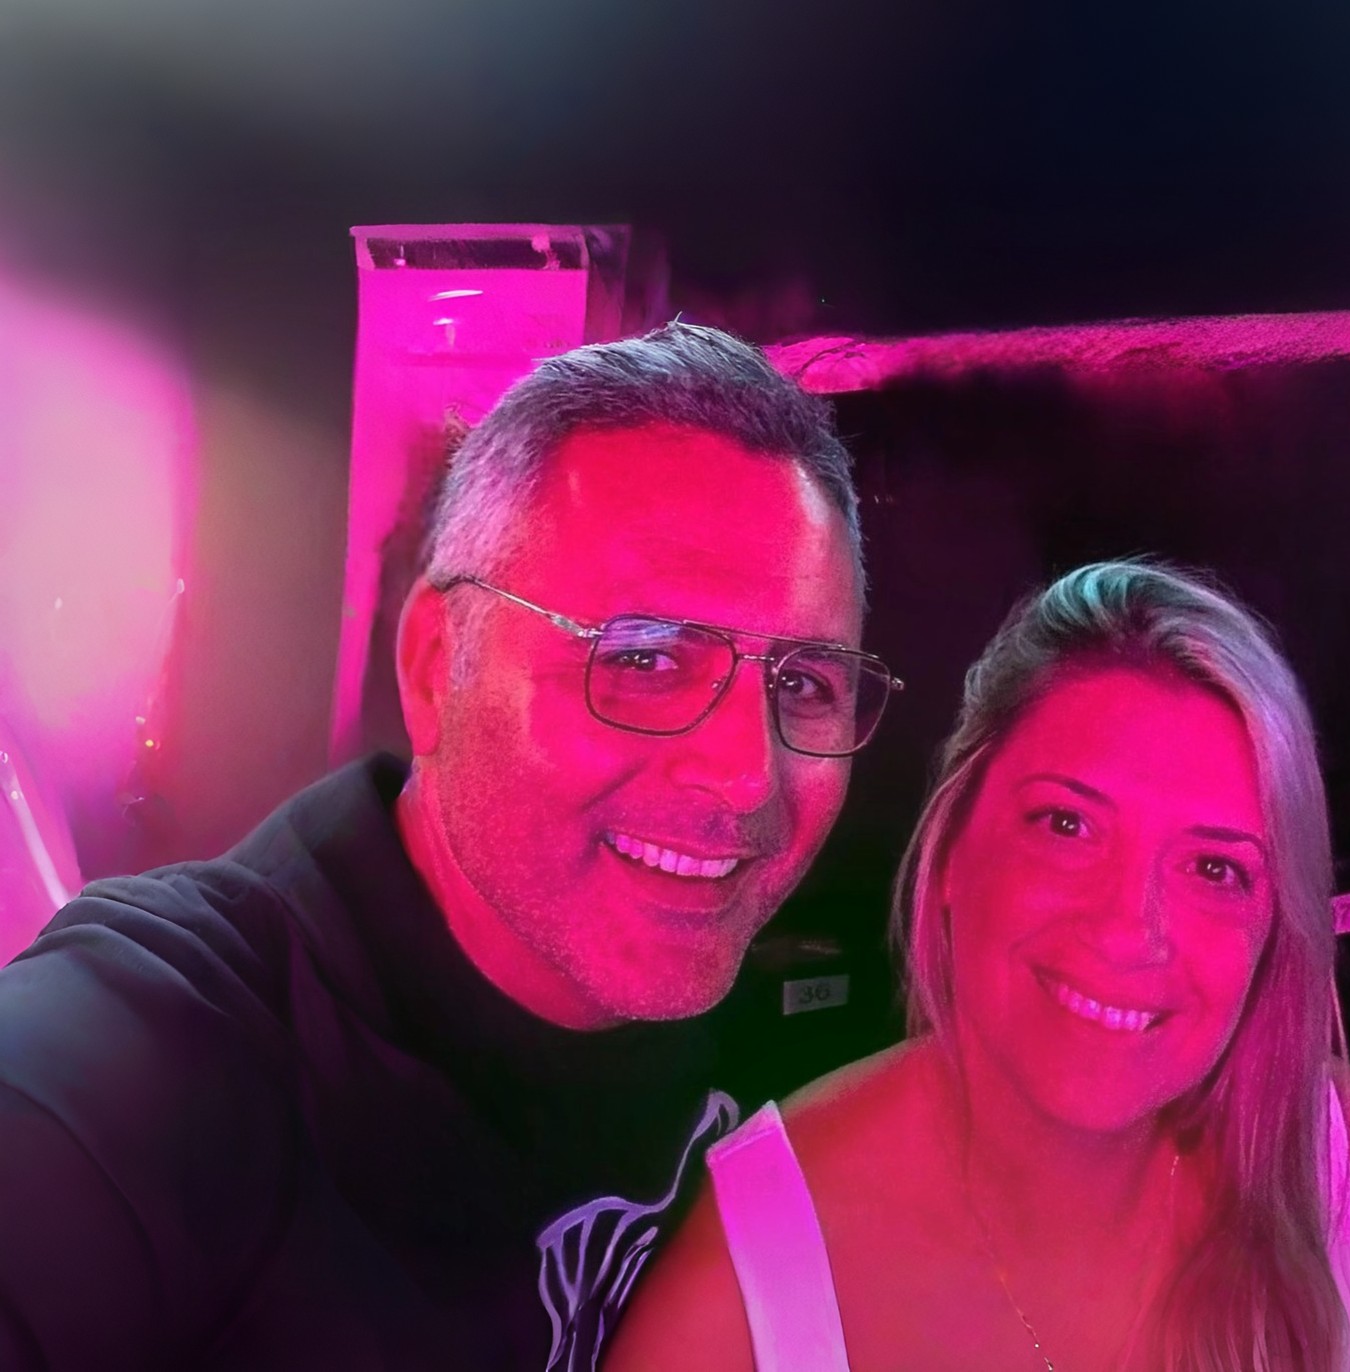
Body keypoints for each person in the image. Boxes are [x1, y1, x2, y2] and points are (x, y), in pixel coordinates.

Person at [0, 322, 901, 1371]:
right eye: (645, 658)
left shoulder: (810, 1044)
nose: (746, 777)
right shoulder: (172, 1045)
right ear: (437, 666)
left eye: (804, 683)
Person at [606, 560, 1350, 1372]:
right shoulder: (744, 1272)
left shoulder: (1343, 1168)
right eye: (1066, 825)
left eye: (1213, 869)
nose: (1129, 931)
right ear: (951, 850)